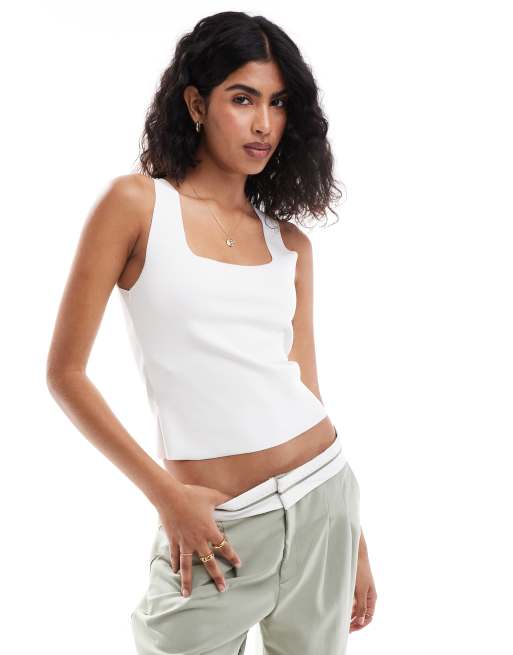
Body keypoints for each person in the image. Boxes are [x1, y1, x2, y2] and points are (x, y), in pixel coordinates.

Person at [46, 10, 377, 655]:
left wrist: (355, 540)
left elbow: (306, 385)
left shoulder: (290, 245)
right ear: (196, 104)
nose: (264, 124)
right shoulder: (137, 206)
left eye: (278, 103)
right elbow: (65, 373)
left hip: (324, 500)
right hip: (214, 526)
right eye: (242, 99)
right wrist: (167, 497)